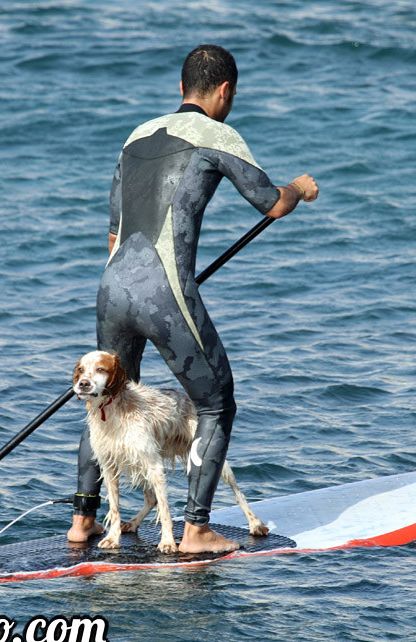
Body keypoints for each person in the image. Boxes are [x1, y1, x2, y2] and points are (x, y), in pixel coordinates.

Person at [68, 44, 318, 553]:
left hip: (112, 286)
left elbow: (114, 237)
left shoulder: (135, 137)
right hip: (163, 290)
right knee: (216, 401)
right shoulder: (217, 134)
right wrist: (298, 188)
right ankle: (197, 529)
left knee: (106, 400)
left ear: (180, 88)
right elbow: (270, 205)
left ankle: (82, 521)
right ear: (224, 91)